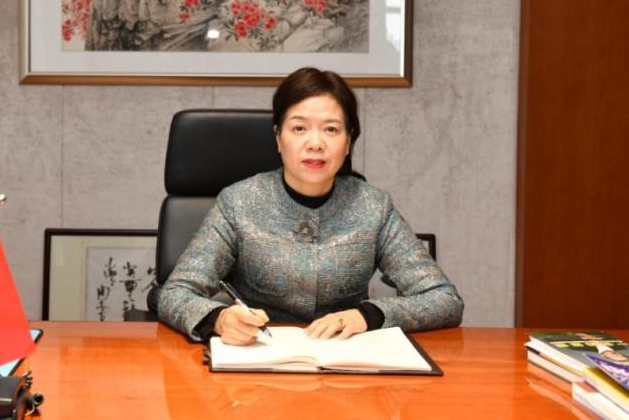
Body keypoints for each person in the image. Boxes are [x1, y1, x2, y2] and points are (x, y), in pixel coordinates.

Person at [158, 67, 464, 344]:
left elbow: (444, 299)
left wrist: (367, 315)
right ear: (278, 138)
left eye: (331, 129)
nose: (315, 143)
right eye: (299, 128)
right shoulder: (238, 202)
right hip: (260, 359)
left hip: (345, 363)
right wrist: (220, 319)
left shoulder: (373, 207)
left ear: (348, 141)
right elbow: (174, 293)